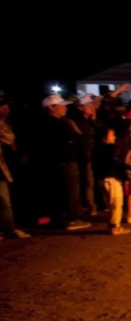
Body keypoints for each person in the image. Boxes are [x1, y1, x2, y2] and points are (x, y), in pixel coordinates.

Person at [42, 94, 91, 230]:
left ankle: (65, 217)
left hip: (63, 162)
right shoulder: (56, 124)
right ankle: (72, 219)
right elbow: (76, 137)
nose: (65, 108)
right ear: (52, 108)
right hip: (65, 162)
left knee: (67, 191)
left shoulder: (55, 122)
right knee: (71, 192)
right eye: (62, 106)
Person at [94, 127, 131, 235]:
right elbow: (117, 163)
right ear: (104, 137)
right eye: (112, 135)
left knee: (111, 203)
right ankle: (115, 227)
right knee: (117, 203)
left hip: (103, 179)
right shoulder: (110, 149)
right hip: (112, 179)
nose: (114, 137)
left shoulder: (96, 149)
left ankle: (112, 224)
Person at [0, 97, 28, 240]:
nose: (5, 109)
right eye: (2, 106)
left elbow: (10, 138)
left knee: (6, 200)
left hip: (5, 165)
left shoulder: (9, 122)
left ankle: (11, 227)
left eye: (6, 106)